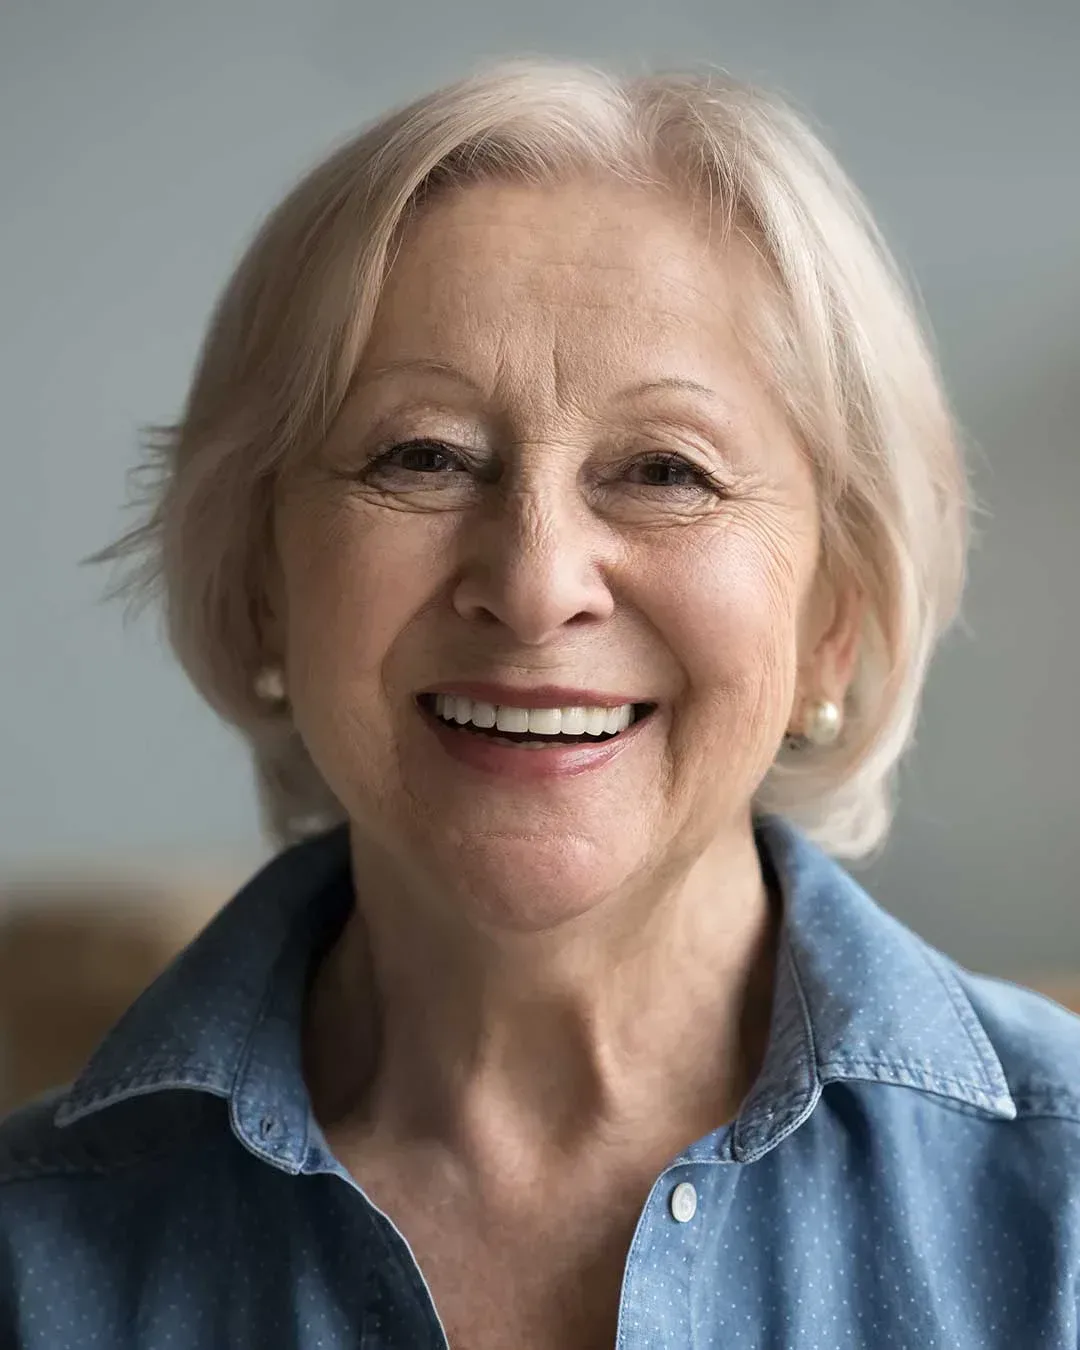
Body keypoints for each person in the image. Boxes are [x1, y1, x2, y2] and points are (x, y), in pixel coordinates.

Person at [1, 58, 1077, 1350]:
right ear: (262, 580)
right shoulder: (32, 1257)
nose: (534, 582)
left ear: (833, 618)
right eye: (424, 456)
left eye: (665, 470)